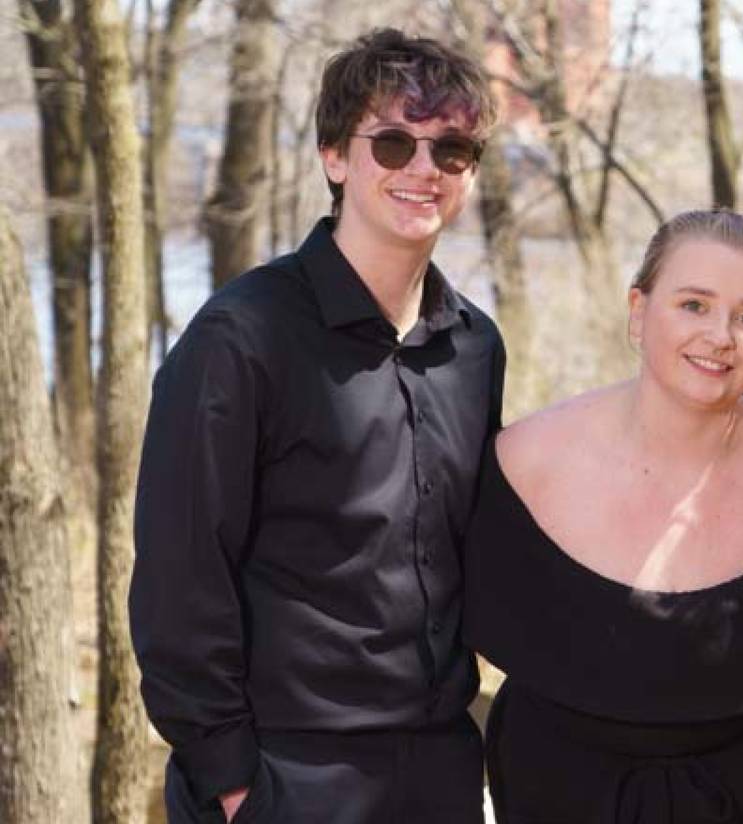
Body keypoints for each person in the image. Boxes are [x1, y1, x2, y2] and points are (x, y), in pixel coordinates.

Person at [131, 29, 501, 824]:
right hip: (284, 774)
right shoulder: (241, 336)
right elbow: (178, 575)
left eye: (452, 150)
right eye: (394, 143)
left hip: (438, 766)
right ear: (335, 155)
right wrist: (233, 782)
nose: (422, 170)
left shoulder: (476, 348)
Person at [464, 210, 743, 823]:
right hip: (554, 796)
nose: (721, 335)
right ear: (638, 311)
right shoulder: (521, 462)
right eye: (694, 304)